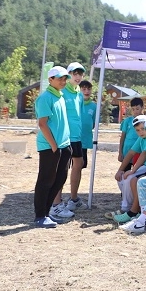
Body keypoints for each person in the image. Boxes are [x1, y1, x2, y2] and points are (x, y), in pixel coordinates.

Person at [33, 66, 72, 227]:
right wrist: (54, 146)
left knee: (60, 179)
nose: (63, 81)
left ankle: (46, 212)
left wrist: (64, 144)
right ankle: (40, 215)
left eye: (64, 78)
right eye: (59, 78)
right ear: (50, 80)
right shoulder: (45, 98)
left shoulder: (60, 96)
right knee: (46, 180)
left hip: (64, 145)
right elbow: (42, 124)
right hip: (50, 147)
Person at [57, 61, 88, 213]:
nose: (77, 77)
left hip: (76, 137)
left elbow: (79, 116)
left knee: (79, 164)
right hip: (64, 137)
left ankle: (74, 199)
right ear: (68, 75)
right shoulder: (62, 93)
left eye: (80, 74)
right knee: (61, 169)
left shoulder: (79, 94)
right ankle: (57, 202)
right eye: (74, 73)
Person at [112, 115, 146, 221]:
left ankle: (128, 208)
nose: (141, 132)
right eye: (138, 130)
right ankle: (130, 206)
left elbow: (144, 156)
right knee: (121, 177)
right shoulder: (141, 139)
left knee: (129, 178)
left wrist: (132, 171)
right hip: (144, 166)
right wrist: (120, 170)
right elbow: (130, 153)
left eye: (143, 129)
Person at [119, 97, 145, 163]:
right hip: (127, 151)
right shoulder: (127, 121)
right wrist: (120, 152)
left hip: (140, 151)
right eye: (133, 109)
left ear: (142, 107)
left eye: (137, 109)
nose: (135, 111)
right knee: (124, 170)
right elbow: (122, 137)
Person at [79, 79, 97, 166]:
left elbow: (94, 122)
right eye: (84, 89)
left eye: (89, 89)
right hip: (74, 138)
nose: (87, 91)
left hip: (85, 139)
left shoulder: (93, 106)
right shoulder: (75, 103)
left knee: (82, 164)